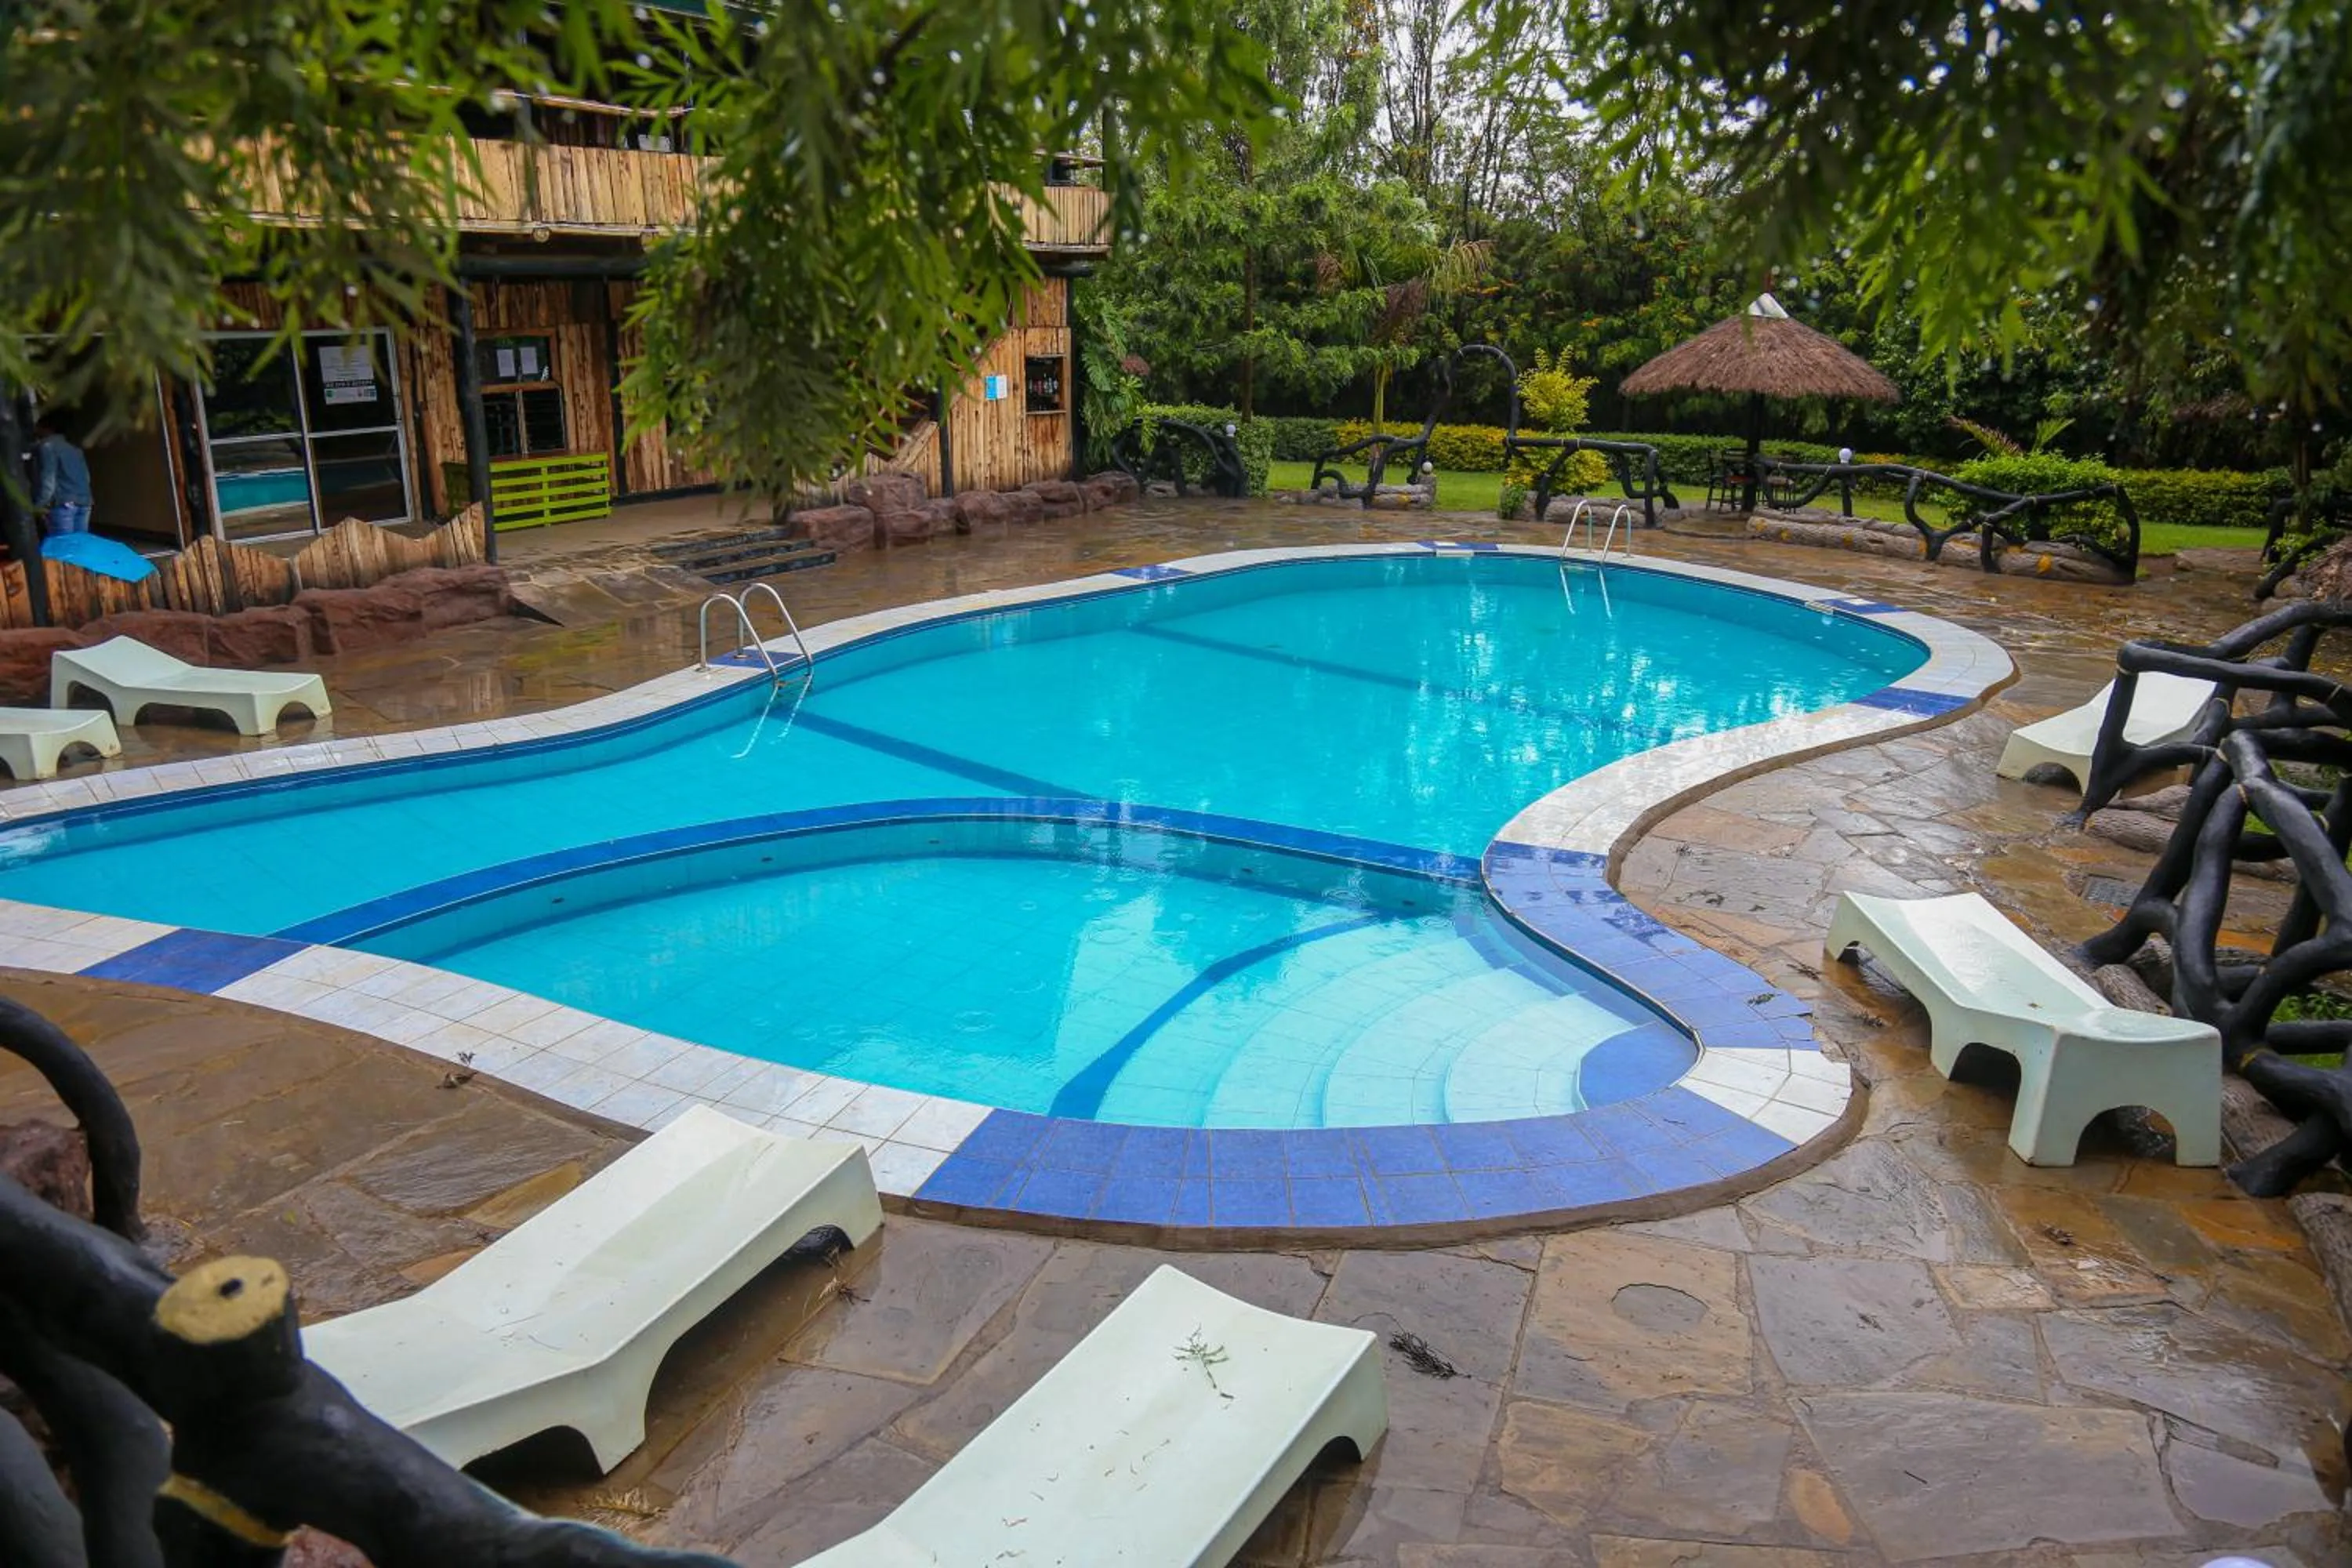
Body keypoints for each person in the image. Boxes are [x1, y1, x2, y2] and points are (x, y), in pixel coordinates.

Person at [31, 416, 93, 536]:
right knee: (79, 547)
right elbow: (87, 477)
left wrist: (38, 505)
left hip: (63, 503)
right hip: (85, 501)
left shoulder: (47, 446)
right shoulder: (74, 447)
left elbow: (48, 481)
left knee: (61, 549)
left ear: (45, 427)